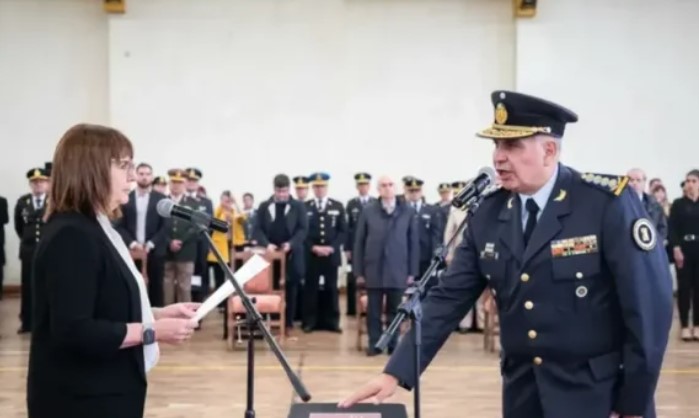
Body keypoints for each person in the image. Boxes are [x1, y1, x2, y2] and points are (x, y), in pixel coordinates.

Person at [339, 91, 673, 418]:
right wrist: (394, 373)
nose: (498, 157)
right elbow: (448, 298)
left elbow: (649, 310)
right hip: (523, 395)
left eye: (512, 145)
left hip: (597, 396)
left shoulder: (605, 204)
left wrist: (634, 404)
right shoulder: (488, 212)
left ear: (549, 151)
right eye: (496, 145)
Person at [26, 123, 200, 418]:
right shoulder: (71, 234)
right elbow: (75, 329)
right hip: (80, 400)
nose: (132, 176)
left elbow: (103, 304)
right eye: (123, 165)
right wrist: (151, 331)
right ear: (91, 169)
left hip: (103, 390)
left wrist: (157, 314)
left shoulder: (96, 227)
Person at [352, 175, 419, 356]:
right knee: (373, 311)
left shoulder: (407, 211)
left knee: (395, 311)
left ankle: (392, 344)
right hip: (373, 268)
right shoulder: (368, 210)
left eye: (390, 185)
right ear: (378, 189)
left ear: (396, 188)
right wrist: (358, 271)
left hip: (398, 269)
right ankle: (374, 344)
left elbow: (413, 243)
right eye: (383, 185)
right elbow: (359, 242)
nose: (387, 188)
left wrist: (412, 271)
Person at [14, 167, 49, 333]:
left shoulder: (54, 201)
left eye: (41, 181)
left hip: (47, 251)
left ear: (47, 183)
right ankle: (27, 322)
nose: (38, 185)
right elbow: (19, 226)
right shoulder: (23, 202)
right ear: (30, 184)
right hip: (28, 252)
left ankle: (46, 322)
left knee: (47, 286)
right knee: (27, 287)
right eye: (34, 182)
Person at [668, 169, 699, 341]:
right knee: (684, 288)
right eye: (688, 181)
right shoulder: (678, 204)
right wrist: (676, 247)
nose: (690, 184)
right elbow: (672, 228)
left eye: (694, 181)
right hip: (684, 249)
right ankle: (685, 326)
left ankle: (698, 325)